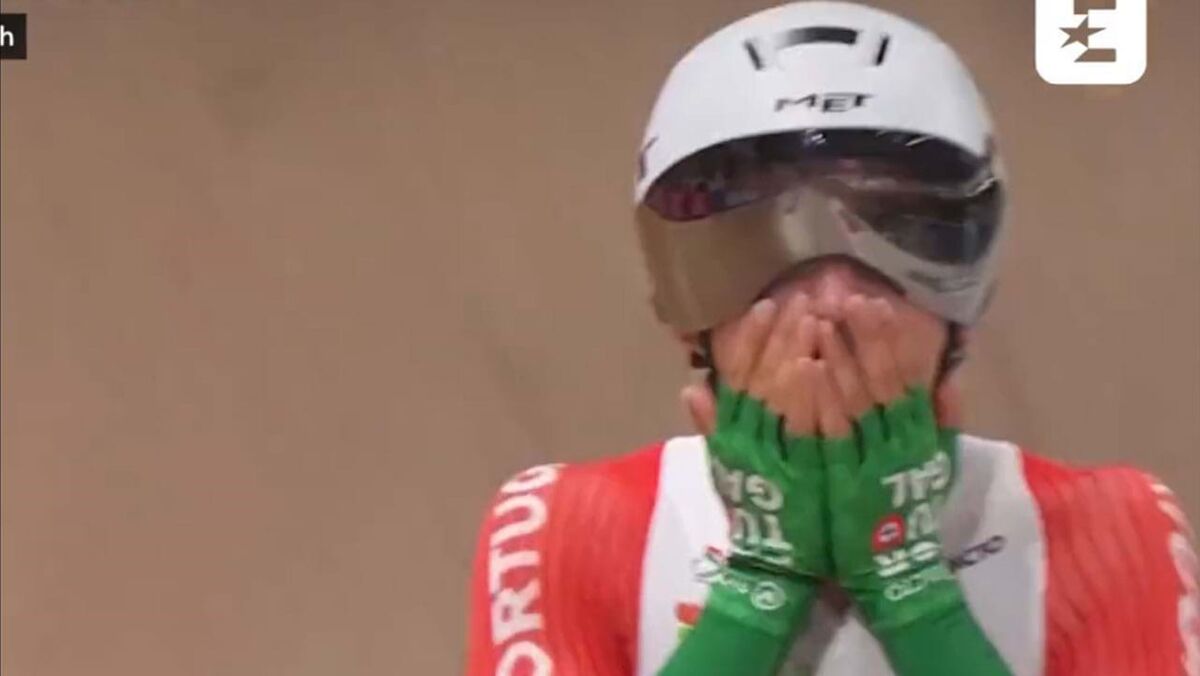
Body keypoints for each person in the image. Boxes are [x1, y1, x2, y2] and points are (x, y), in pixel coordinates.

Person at [464, 2, 1199, 674]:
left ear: (964, 293)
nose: (832, 302)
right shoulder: (564, 524)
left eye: (895, 237)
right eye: (757, 251)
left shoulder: (1112, 524)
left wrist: (909, 588)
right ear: (689, 314)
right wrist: (763, 581)